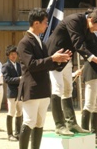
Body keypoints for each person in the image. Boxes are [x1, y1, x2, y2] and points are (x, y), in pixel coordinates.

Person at [46, 8, 97, 136]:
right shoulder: (74, 20)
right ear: (91, 20)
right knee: (57, 88)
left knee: (68, 89)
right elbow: (78, 45)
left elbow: (92, 46)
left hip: (67, 58)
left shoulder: (87, 27)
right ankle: (59, 125)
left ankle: (71, 123)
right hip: (55, 56)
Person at [17, 8, 72, 149]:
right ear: (36, 23)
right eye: (45, 22)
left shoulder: (40, 42)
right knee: (29, 121)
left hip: (43, 88)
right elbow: (32, 65)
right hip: (32, 88)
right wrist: (52, 58)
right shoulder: (24, 43)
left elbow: (46, 65)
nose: (47, 25)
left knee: (39, 123)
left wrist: (60, 60)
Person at [2, 45, 22, 141]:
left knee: (20, 112)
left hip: (20, 92)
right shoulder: (5, 66)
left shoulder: (19, 65)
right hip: (12, 93)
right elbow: (7, 79)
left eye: (15, 54)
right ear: (8, 55)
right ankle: (10, 135)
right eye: (12, 54)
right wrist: (19, 79)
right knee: (11, 112)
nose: (14, 56)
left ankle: (18, 132)